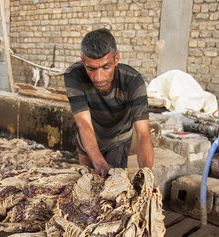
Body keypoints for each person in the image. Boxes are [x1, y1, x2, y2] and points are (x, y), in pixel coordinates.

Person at [64, 28, 154, 177]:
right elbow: (84, 124)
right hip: (88, 137)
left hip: (117, 140)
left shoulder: (133, 81)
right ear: (83, 61)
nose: (98, 77)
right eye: (91, 68)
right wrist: (98, 163)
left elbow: (143, 133)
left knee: (114, 188)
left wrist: (146, 177)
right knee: (86, 183)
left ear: (116, 59)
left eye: (106, 67)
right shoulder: (74, 75)